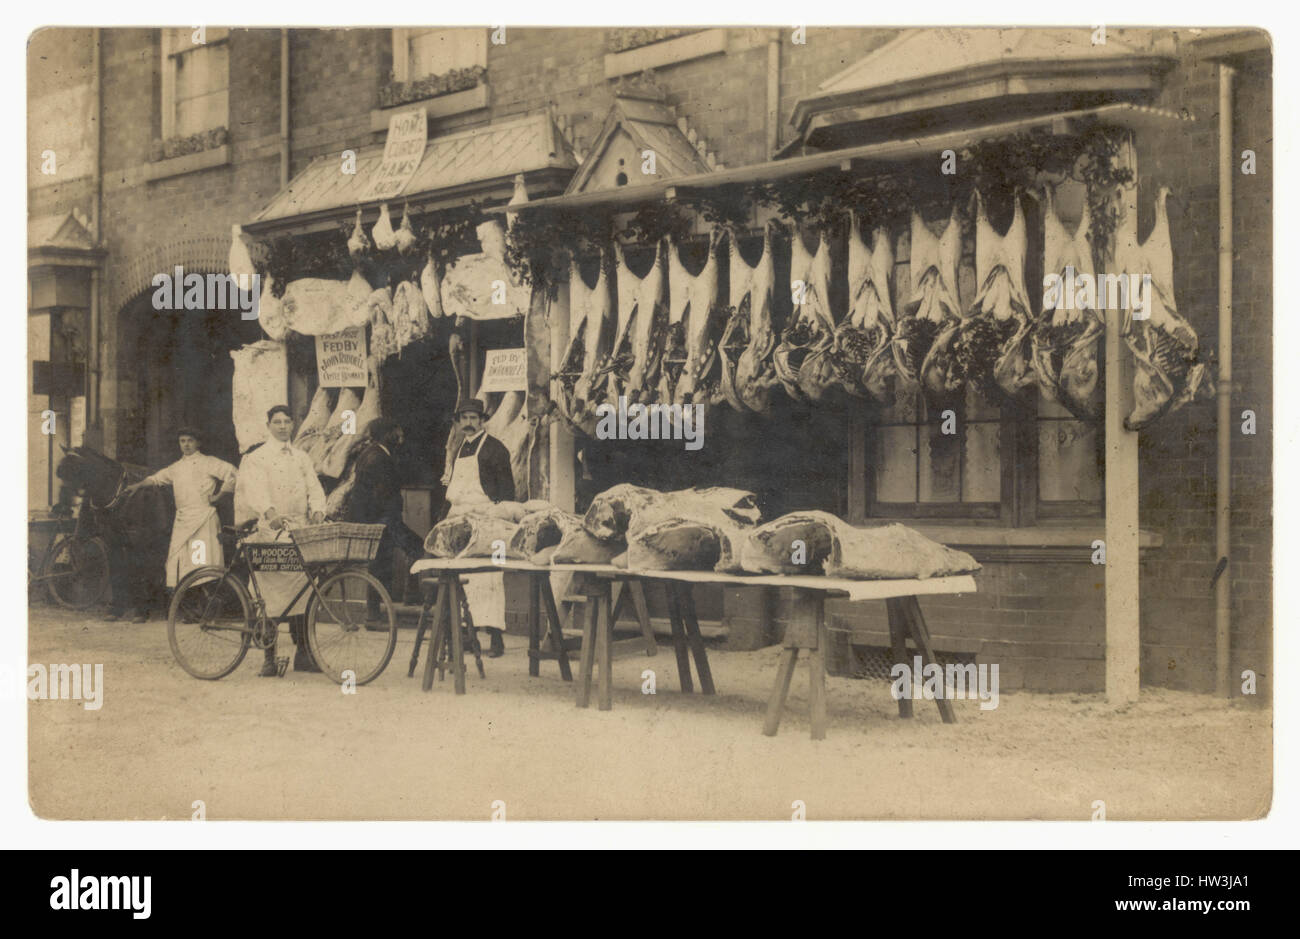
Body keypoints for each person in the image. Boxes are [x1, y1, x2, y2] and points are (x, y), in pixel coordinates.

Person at [235, 405, 326, 676]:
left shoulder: (301, 457)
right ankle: (269, 658)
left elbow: (314, 486)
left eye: (288, 421)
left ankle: (304, 654)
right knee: (269, 596)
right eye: (278, 422)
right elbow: (255, 489)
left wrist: (319, 508)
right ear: (269, 425)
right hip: (270, 533)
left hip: (299, 529)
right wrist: (269, 512)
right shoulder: (258, 458)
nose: (283, 426)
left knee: (305, 589)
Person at [441, 398, 515, 657]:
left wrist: (501, 521)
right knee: (463, 580)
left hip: (487, 521)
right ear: (459, 422)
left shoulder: (496, 449)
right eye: (465, 418)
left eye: (474, 418)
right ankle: (468, 637)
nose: (470, 423)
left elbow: (507, 494)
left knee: (490, 578)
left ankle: (496, 639)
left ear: (482, 421)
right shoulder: (458, 448)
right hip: (459, 520)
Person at [145, 427, 237, 605]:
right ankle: (190, 607)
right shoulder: (176, 467)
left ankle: (204, 607)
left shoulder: (208, 462)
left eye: (190, 440)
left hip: (202, 520)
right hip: (182, 521)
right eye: (183, 441)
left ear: (198, 443)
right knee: (180, 562)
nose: (186, 444)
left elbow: (232, 473)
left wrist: (218, 496)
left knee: (199, 563)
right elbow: (156, 479)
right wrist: (134, 487)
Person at [347, 417, 426, 617]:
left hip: (377, 520)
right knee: (413, 548)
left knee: (380, 563)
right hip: (383, 520)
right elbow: (380, 494)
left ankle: (382, 609)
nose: (400, 435)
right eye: (396, 431)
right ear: (386, 434)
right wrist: (387, 522)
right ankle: (404, 598)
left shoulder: (371, 453)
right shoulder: (379, 457)